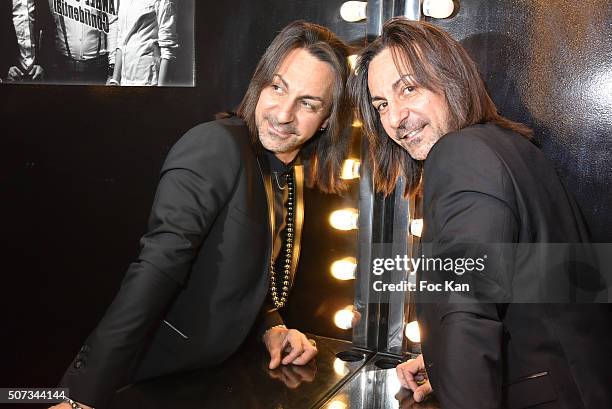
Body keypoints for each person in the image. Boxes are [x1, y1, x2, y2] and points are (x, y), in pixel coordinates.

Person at [50, 20, 351, 409]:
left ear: (328, 119)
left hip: (206, 382)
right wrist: (79, 396)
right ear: (260, 83)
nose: (284, 113)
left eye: (308, 103)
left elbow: (242, 273)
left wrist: (273, 328)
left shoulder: (287, 170)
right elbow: (158, 265)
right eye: (278, 87)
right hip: (141, 382)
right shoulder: (215, 146)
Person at [351, 18, 612, 409]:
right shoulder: (513, 147)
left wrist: (463, 375)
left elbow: (467, 311)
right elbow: (553, 289)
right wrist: (441, 365)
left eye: (409, 89)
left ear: (451, 80)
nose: (394, 118)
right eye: (381, 105)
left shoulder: (459, 153)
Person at [47, 0, 118, 84]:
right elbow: (47, 25)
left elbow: (113, 24)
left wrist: (112, 69)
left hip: (98, 68)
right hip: (63, 68)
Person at [108, 0, 178, 86]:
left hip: (148, 81)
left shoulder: (164, 1)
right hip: (125, 81)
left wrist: (161, 91)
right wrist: (115, 80)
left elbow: (168, 48)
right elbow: (121, 40)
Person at [0, 0, 54, 83]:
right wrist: (4, 68)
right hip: (10, 75)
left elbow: (49, 30)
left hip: (37, 74)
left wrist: (43, 65)